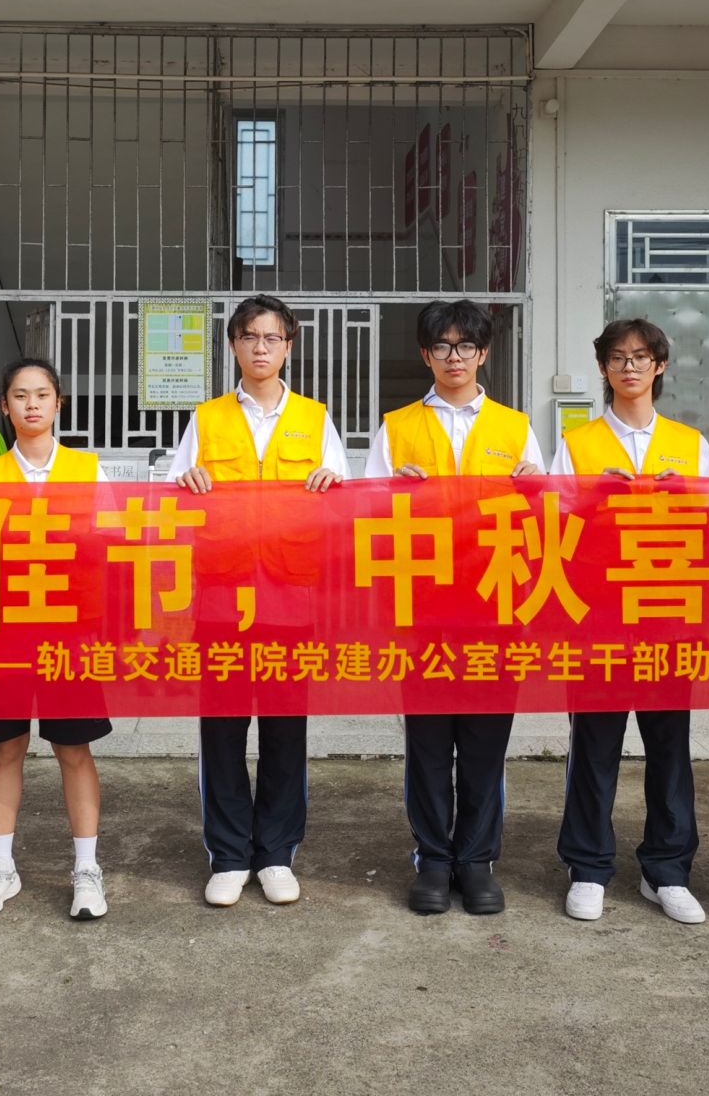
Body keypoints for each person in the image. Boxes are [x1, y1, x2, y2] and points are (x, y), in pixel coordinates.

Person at [364, 299, 543, 916]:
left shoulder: (515, 428)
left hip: (496, 606)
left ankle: (477, 860)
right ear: (426, 355)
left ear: (484, 353)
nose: (454, 357)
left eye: (466, 346)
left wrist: (533, 490)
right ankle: (434, 859)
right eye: (442, 346)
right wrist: (392, 493)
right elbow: (364, 517)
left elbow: (545, 520)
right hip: (424, 609)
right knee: (430, 743)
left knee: (487, 741)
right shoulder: (396, 428)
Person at [171, 293, 348, 908]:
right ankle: (227, 855)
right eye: (249, 337)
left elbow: (345, 503)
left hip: (289, 597)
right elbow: (171, 498)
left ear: (289, 346)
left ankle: (275, 853)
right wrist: (185, 481)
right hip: (221, 598)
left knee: (284, 730)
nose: (261, 347)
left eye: (272, 338)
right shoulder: (207, 418)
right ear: (233, 346)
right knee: (222, 730)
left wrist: (333, 484)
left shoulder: (315, 419)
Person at [549, 318, 709, 927]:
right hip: (599, 616)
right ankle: (589, 867)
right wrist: (590, 497)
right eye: (618, 358)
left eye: (641, 357)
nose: (629, 367)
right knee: (595, 747)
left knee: (670, 748)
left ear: (659, 366)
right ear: (603, 368)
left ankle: (666, 870)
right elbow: (552, 525)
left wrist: (687, 497)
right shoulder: (577, 444)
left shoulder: (691, 444)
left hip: (668, 614)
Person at [0, 357, 113, 923]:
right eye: (20, 395)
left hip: (69, 630)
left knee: (74, 749)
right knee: (5, 748)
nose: (31, 405)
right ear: (4, 406)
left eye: (42, 395)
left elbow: (109, 547)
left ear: (58, 404)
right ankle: (1, 868)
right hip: (4, 632)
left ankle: (87, 870)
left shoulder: (88, 470)